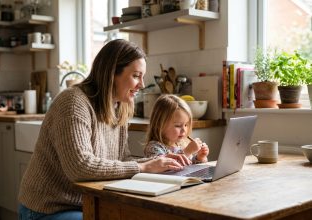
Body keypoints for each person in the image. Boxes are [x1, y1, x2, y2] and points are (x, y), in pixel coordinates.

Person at [18, 39, 191, 220]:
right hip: (49, 208)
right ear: (111, 74)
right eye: (136, 76)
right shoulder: (73, 102)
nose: (142, 84)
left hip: (90, 202)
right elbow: (80, 167)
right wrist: (144, 166)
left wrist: (160, 162)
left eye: (142, 76)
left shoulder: (120, 107)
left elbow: (122, 160)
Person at [144, 94, 209, 164]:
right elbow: (165, 168)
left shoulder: (182, 144)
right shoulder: (154, 148)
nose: (184, 130)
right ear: (159, 125)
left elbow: (189, 166)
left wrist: (199, 157)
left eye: (186, 125)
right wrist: (187, 151)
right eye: (178, 126)